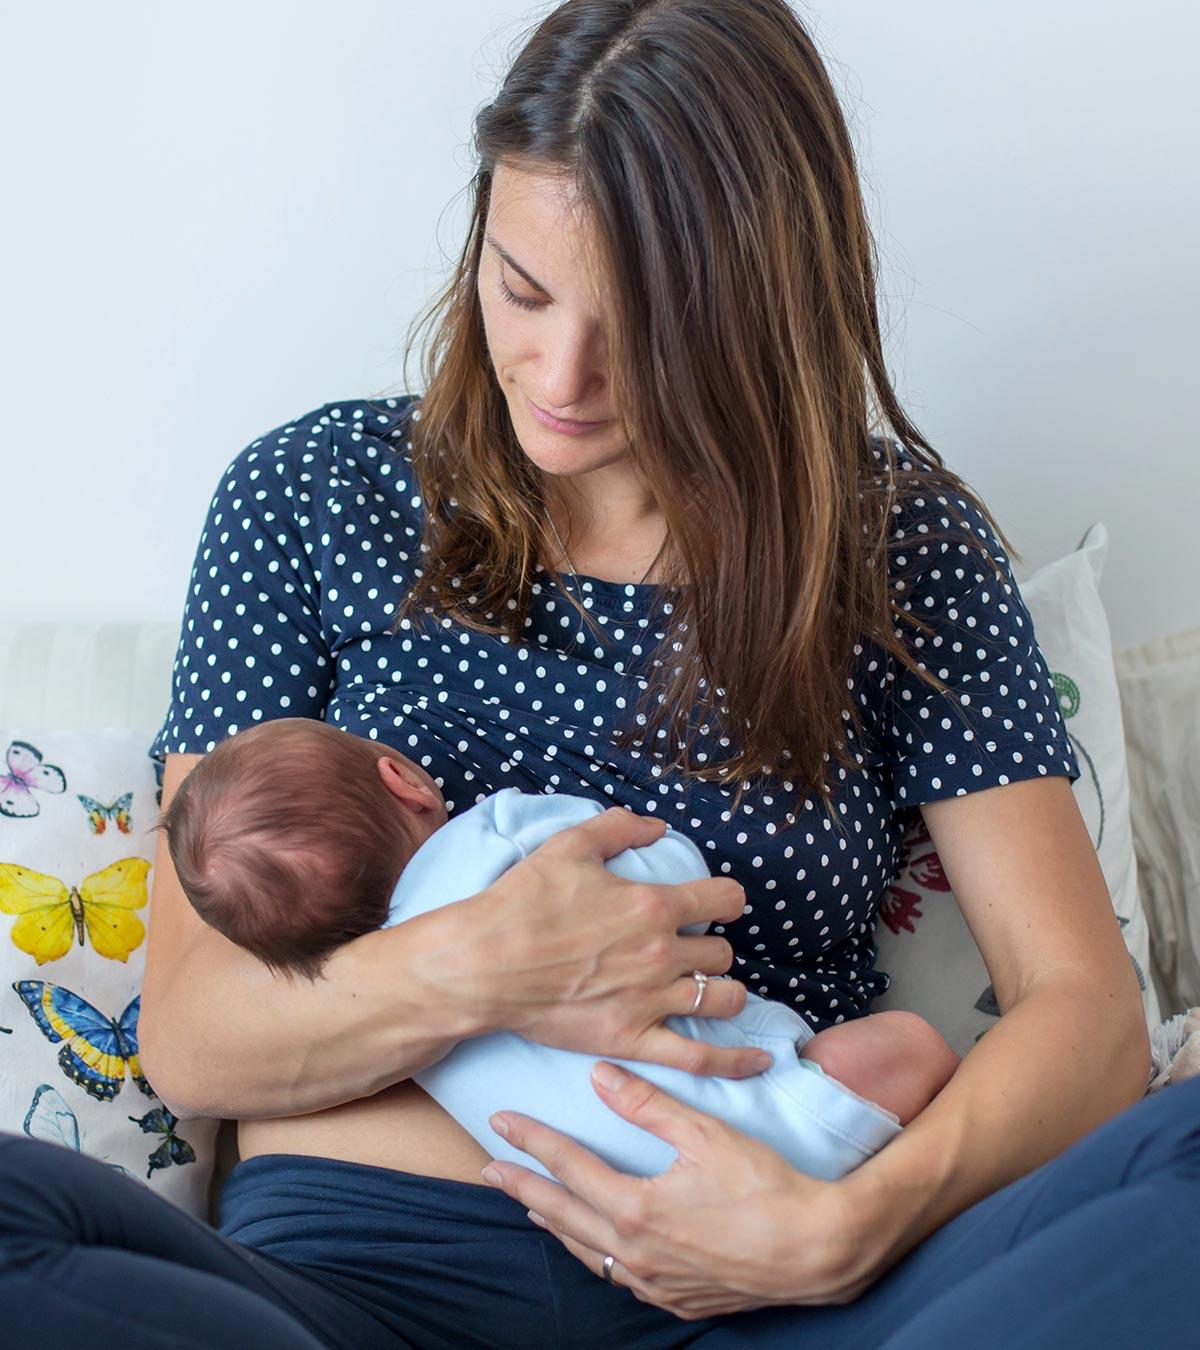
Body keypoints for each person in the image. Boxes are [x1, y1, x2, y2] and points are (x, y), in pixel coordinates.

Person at [1, 2, 1188, 1346]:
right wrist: (483, 968)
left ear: (764, 308)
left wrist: (851, 1223)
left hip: (785, 1294)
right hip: (352, 1292)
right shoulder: (312, 495)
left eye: (643, 327)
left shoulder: (895, 541)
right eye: (522, 289)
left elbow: (1087, 1017)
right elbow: (198, 1031)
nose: (561, 373)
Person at [155, 716, 962, 1178]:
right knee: (915, 1048)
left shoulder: (380, 1026)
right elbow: (665, 880)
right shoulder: (503, 832)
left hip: (599, 1196)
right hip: (766, 1125)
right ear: (404, 779)